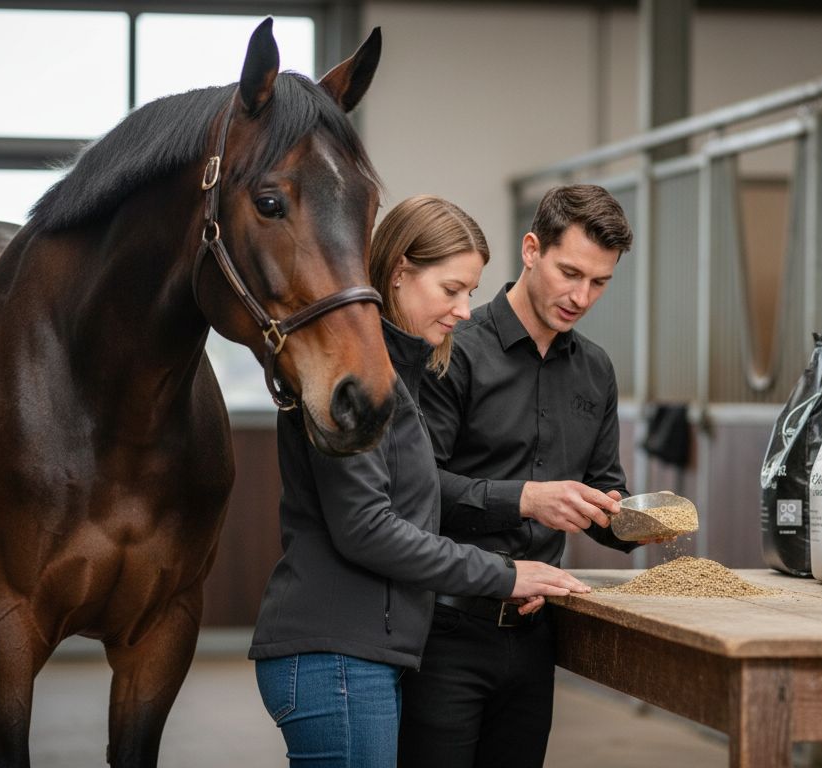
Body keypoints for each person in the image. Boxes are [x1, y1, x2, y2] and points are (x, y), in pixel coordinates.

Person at [249, 194, 591, 768]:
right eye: (451, 289)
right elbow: (366, 528)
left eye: (471, 293)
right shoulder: (351, 377)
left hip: (363, 654)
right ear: (401, 272)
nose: (463, 310)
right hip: (335, 654)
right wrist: (503, 574)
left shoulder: (398, 377)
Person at [398, 184, 643, 768]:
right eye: (570, 272)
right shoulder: (452, 347)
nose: (581, 296)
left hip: (536, 636)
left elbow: (606, 494)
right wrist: (526, 500)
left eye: (600, 282)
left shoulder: (596, 370)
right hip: (445, 630)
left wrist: (638, 521)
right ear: (532, 249)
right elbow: (416, 492)